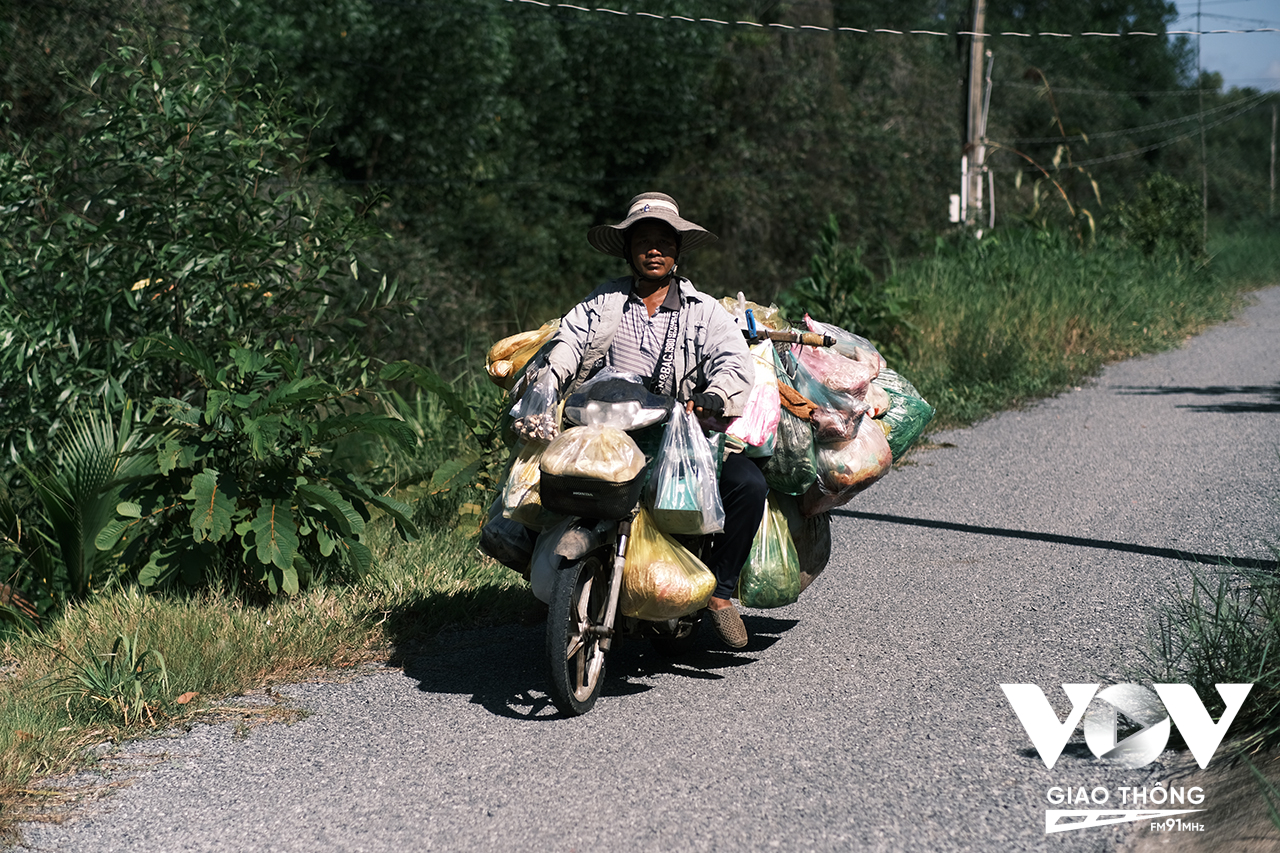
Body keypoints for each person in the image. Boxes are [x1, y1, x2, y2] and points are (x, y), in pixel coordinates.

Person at [534, 191, 768, 649]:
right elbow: (569, 340)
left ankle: (719, 592)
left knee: (748, 485)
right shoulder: (603, 302)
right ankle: (552, 586)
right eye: (644, 242)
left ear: (677, 251)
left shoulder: (703, 311)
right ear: (628, 250)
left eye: (664, 242)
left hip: (680, 435)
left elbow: (733, 362)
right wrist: (549, 382)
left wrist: (716, 396)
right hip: (605, 431)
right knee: (544, 482)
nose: (654, 250)